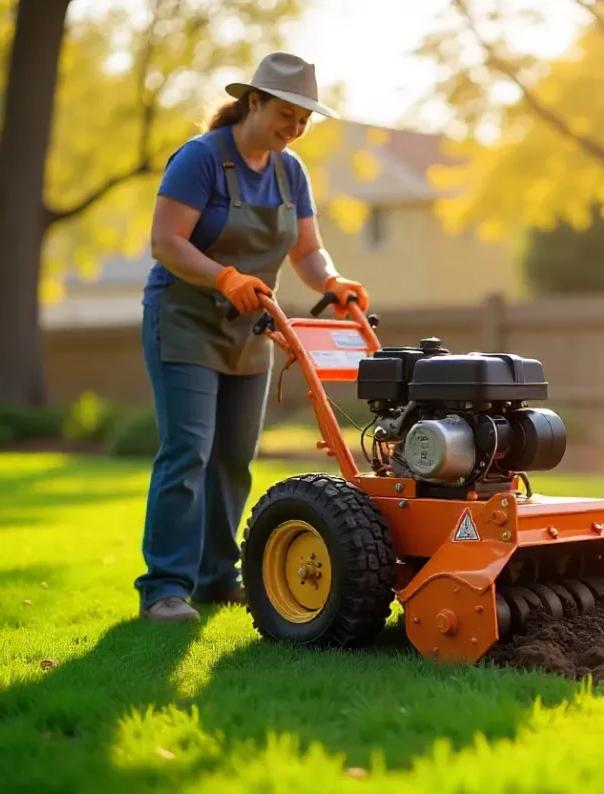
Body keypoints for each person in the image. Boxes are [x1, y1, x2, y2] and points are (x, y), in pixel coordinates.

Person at [135, 52, 370, 623]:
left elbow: (308, 251)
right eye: (285, 115)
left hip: (251, 326)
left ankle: (218, 577)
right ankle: (165, 588)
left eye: (303, 120)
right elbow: (166, 242)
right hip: (186, 319)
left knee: (235, 457)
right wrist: (223, 275)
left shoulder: (291, 172)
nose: (293, 129)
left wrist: (332, 281)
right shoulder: (202, 160)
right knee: (188, 450)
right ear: (254, 102)